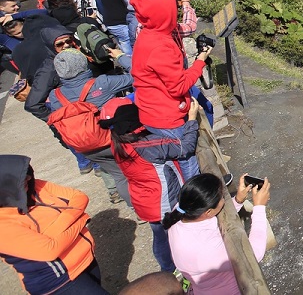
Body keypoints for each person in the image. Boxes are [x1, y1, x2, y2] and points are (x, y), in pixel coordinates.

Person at [105, 97, 200, 274]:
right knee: (176, 236)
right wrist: (192, 120)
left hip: (144, 202)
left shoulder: (116, 142)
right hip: (165, 203)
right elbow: (185, 147)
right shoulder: (149, 144)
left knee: (160, 237)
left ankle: (167, 269)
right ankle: (181, 269)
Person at [131, 0, 211, 179]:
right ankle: (195, 203)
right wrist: (199, 61)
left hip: (151, 108)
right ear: (165, 13)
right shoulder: (161, 47)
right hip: (166, 115)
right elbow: (179, 86)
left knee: (175, 157)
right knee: (186, 156)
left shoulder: (148, 33)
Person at [0, 154, 108, 294]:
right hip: (59, 281)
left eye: (27, 174)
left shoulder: (35, 186)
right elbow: (50, 250)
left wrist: (54, 230)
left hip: (85, 259)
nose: (28, 178)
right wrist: (80, 220)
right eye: (19, 179)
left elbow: (79, 197)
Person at [48, 48, 134, 206]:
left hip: (87, 147)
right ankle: (151, 208)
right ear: (83, 64)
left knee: (120, 176)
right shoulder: (102, 83)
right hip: (114, 140)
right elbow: (139, 75)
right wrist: (121, 57)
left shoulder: (55, 95)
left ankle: (138, 211)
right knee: (136, 172)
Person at [163, 172, 271, 295]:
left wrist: (238, 200)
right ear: (208, 211)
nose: (224, 200)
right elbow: (253, 254)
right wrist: (259, 208)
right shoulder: (203, 249)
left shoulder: (182, 210)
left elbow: (211, 220)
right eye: (222, 197)